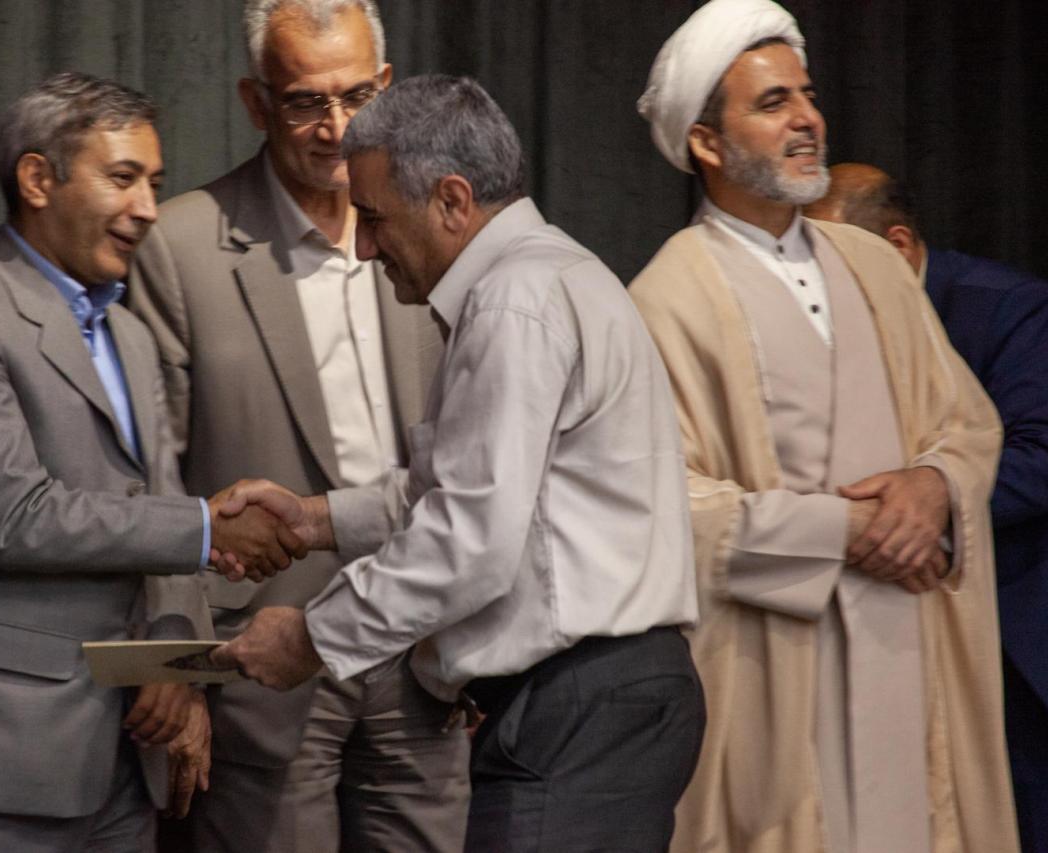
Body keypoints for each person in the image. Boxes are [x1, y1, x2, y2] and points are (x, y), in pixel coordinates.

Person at [205, 73, 704, 853]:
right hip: (595, 702)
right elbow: (464, 494)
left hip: (578, 704)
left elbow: (470, 539)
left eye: (374, 219)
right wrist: (313, 520)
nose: (364, 248)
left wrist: (312, 637)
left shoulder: (514, 301)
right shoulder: (543, 279)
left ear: (452, 200)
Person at [629, 1, 1019, 850]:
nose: (808, 119)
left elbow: (967, 423)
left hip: (910, 644)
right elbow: (662, 503)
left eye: (807, 96)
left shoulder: (874, 263)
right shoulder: (667, 299)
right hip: (778, 670)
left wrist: (934, 486)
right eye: (774, 103)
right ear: (706, 142)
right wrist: (844, 529)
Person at [0, 71, 301, 853]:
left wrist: (177, 663)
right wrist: (208, 528)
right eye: (123, 178)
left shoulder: (131, 335)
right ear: (37, 179)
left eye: (154, 183)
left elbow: (157, 505)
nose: (147, 208)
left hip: (128, 761)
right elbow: (13, 518)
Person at [126, 2, 465, 850]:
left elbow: (477, 455)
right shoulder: (181, 244)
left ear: (387, 88)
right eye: (307, 102)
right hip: (261, 661)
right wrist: (179, 658)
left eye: (356, 98)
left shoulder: (435, 228)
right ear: (256, 103)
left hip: (422, 648)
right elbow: (154, 478)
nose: (336, 128)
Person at [807, 163, 1048, 853]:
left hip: (1024, 649)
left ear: (897, 246)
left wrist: (932, 504)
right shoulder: (817, 328)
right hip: (888, 646)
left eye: (827, 258)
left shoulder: (1012, 311)